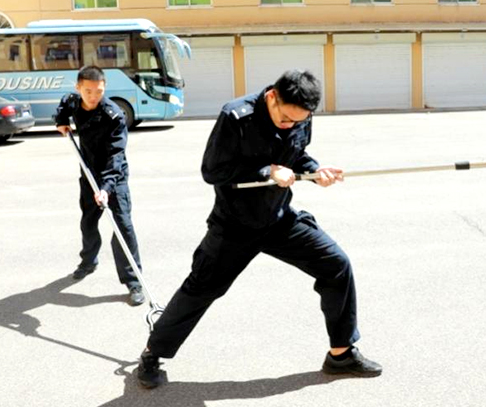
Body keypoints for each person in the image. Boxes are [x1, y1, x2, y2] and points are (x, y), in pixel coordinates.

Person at [136, 70, 382, 388]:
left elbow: (297, 154)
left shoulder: (300, 115)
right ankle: (153, 352)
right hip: (234, 225)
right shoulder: (236, 116)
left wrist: (315, 171)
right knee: (201, 289)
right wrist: (267, 170)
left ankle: (341, 353)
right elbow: (213, 170)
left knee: (336, 265)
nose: (290, 125)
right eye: (285, 119)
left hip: (279, 219)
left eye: (298, 121)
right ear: (271, 97)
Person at [55, 65, 145, 307]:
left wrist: (106, 188)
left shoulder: (114, 116)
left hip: (114, 177)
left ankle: (134, 281)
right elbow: (64, 104)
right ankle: (89, 261)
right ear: (79, 88)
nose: (93, 96)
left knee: (123, 226)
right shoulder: (74, 102)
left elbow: (116, 155)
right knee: (88, 221)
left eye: (99, 91)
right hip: (88, 174)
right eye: (88, 91)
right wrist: (61, 121)